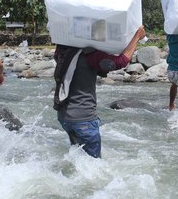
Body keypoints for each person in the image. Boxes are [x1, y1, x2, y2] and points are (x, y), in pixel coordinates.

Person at [53, 26, 146, 158]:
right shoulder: (90, 55)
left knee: (79, 160)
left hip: (64, 117)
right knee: (93, 165)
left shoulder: (62, 51)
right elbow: (121, 61)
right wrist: (137, 36)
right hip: (83, 120)